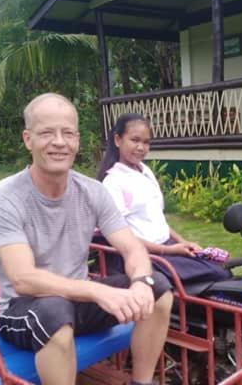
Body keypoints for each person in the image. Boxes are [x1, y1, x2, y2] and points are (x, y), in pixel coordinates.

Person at [0, 94, 196, 385]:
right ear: (28, 139)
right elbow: (24, 278)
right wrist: (99, 290)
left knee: (160, 289)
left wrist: (137, 283)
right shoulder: (4, 197)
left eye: (67, 132)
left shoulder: (92, 191)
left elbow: (133, 248)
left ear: (78, 140)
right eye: (47, 132)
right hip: (22, 311)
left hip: (74, 300)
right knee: (55, 314)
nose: (58, 141)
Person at [97, 113, 231, 284]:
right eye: (135, 140)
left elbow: (158, 221)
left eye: (146, 142)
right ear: (118, 140)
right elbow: (120, 236)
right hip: (145, 255)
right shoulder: (113, 182)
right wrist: (167, 251)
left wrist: (183, 242)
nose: (141, 147)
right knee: (218, 275)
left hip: (166, 247)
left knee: (220, 267)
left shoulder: (145, 171)